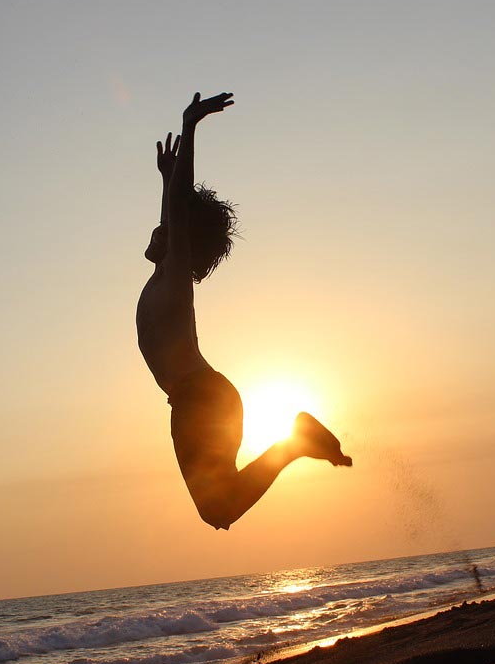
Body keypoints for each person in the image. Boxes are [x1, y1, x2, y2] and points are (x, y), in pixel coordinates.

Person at [136, 92, 352, 530]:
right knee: (220, 508)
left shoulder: (174, 276)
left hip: (201, 400)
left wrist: (190, 126)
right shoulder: (165, 273)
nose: (157, 228)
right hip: (200, 399)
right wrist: (165, 178)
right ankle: (294, 443)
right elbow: (175, 210)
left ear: (179, 242)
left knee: (219, 510)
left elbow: (180, 210)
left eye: (165, 228)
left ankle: (293, 445)